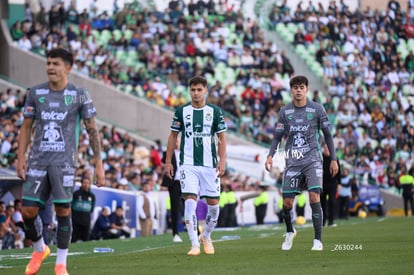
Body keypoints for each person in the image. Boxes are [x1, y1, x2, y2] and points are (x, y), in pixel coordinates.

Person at [16, 47, 105, 275]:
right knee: (28, 211)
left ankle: (61, 263)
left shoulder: (79, 94)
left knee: (63, 210)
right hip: (37, 161)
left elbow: (92, 130)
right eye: (48, 63)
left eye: (55, 64)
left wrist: (99, 164)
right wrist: (20, 158)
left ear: (68, 68)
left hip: (65, 163)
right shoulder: (35, 93)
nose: (50, 68)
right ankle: (39, 249)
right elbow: (26, 127)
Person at [265, 75, 338, 251]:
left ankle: (318, 240)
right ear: (291, 90)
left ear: (306, 89)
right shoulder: (285, 112)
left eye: (301, 87)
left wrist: (333, 159)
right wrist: (270, 155)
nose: (298, 90)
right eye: (295, 87)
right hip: (293, 162)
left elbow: (327, 135)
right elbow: (277, 137)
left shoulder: (317, 109)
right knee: (287, 203)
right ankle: (290, 232)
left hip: (313, 160)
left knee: (314, 196)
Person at [164, 76, 227, 256]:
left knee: (214, 206)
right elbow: (172, 136)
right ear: (189, 91)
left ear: (206, 90)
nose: (196, 93)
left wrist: (222, 160)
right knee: (189, 202)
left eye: (199, 90)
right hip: (188, 164)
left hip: (210, 166)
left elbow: (222, 138)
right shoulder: (182, 111)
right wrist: (168, 161)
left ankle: (206, 236)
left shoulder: (214, 111)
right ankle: (194, 244)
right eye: (193, 90)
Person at [162, 138, 183, 242]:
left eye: (178, 141)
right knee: (175, 208)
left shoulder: (186, 152)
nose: (177, 143)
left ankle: (196, 232)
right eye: (175, 142)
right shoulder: (168, 153)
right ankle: (175, 234)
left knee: (190, 206)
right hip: (174, 183)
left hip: (185, 183)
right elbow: (163, 159)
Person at [321, 143, 341, 227]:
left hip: (332, 183)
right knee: (322, 203)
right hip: (322, 184)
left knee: (331, 202)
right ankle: (322, 222)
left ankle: (331, 221)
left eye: (327, 148)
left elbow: (339, 171)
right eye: (325, 148)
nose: (326, 149)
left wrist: (339, 183)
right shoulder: (320, 158)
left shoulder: (334, 158)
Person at [71, 174, 96, 242]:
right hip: (75, 221)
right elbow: (71, 206)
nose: (86, 185)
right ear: (81, 183)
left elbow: (91, 209)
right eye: (84, 183)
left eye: (88, 183)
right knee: (73, 239)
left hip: (86, 221)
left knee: (86, 240)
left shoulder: (92, 196)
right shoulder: (76, 194)